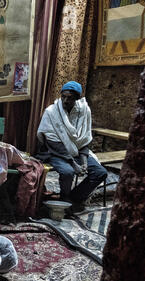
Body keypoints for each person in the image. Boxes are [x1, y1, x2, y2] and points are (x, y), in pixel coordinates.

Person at [36, 81, 107, 212]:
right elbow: (52, 142)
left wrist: (84, 161)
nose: (65, 100)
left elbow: (85, 138)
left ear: (77, 99)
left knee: (100, 172)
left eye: (70, 98)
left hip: (77, 152)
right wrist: (74, 164)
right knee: (68, 171)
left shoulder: (84, 111)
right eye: (63, 96)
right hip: (54, 152)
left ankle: (73, 199)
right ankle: (64, 197)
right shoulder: (51, 112)